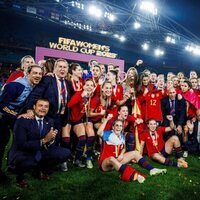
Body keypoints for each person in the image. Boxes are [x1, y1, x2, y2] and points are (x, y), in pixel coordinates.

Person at [9, 98, 71, 188]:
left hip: (41, 150)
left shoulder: (49, 121)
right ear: (34, 107)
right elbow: (22, 145)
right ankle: (20, 177)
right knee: (28, 161)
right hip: (24, 152)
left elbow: (51, 143)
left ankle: (40, 170)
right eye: (40, 105)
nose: (43, 108)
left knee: (65, 153)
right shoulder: (23, 120)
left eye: (46, 106)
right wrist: (44, 140)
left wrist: (52, 139)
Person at [0, 65, 43, 183]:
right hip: (3, 116)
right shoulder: (15, 85)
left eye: (40, 73)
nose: (38, 76)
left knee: (19, 141)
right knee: (2, 141)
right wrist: (16, 115)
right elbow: (1, 105)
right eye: (35, 73)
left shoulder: (35, 86)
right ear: (27, 74)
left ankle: (14, 166)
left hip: (15, 117)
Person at [97, 115, 167, 183]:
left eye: (120, 126)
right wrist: (106, 120)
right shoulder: (108, 134)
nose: (119, 127)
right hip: (105, 164)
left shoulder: (121, 136)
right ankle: (135, 176)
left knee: (135, 153)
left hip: (117, 160)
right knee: (111, 158)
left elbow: (123, 148)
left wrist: (121, 154)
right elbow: (99, 132)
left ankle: (152, 169)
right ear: (113, 127)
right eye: (117, 125)